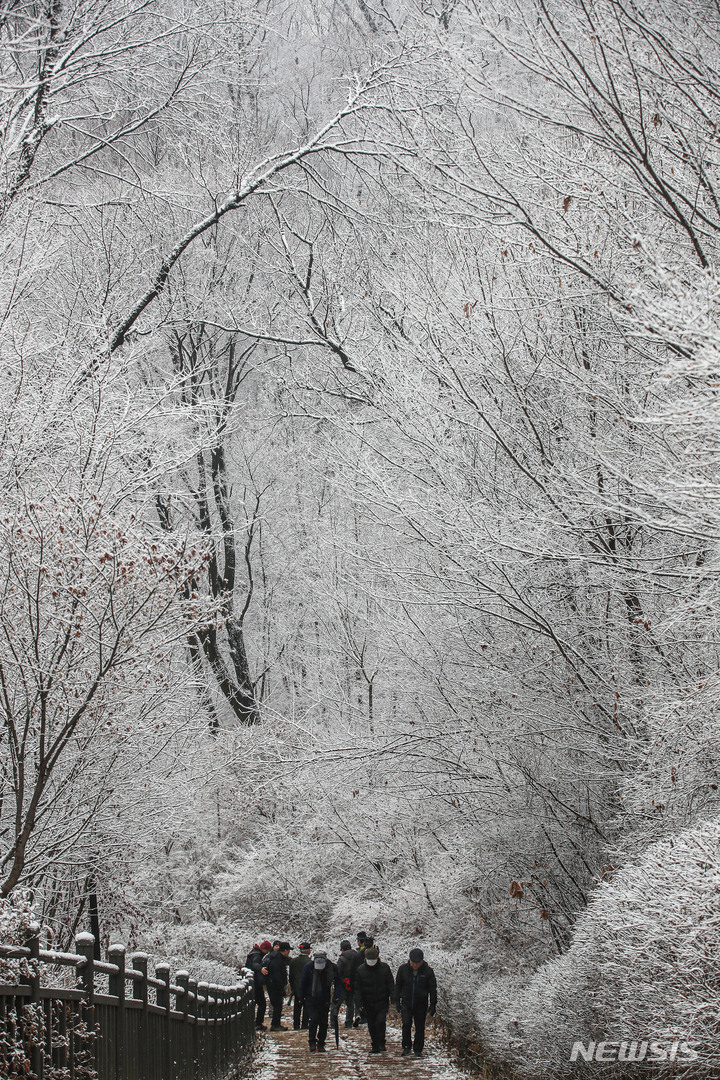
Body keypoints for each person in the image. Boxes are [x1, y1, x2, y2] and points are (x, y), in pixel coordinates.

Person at [395, 947, 438, 1057]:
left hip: (421, 1004)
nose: (415, 965)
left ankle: (418, 1048)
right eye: (413, 962)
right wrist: (396, 1001)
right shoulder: (403, 969)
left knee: (419, 1027)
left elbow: (432, 989)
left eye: (417, 962)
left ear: (422, 961)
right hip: (406, 1002)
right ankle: (406, 1046)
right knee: (406, 1024)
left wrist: (433, 1004)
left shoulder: (428, 971)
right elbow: (398, 986)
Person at [353, 945, 394, 1054]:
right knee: (371, 1023)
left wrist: (393, 997)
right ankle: (375, 1044)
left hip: (382, 1001)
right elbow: (357, 988)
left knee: (380, 1021)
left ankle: (381, 1042)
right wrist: (359, 1002)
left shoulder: (385, 968)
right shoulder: (360, 970)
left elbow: (390, 984)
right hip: (368, 1002)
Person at [299, 949, 341, 1053]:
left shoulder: (332, 968)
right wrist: (301, 997)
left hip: (325, 998)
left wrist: (336, 995)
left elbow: (338, 982)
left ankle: (321, 1042)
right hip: (311, 998)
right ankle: (312, 1041)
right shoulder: (308, 967)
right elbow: (303, 982)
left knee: (323, 1022)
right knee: (313, 1019)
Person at [262, 940, 291, 1029]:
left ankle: (276, 1024)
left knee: (277, 1005)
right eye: (288, 951)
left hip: (272, 984)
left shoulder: (275, 957)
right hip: (274, 986)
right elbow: (277, 976)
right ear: (285, 950)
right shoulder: (277, 961)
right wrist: (281, 989)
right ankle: (275, 1025)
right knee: (278, 1005)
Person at [245, 939, 272, 1029]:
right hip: (255, 983)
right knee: (262, 1003)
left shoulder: (253, 953)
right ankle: (258, 1023)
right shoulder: (257, 955)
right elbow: (254, 964)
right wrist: (261, 968)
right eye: (267, 950)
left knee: (253, 1003)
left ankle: (252, 1022)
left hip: (251, 982)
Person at [336, 939, 361, 1028]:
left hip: (344, 983)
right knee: (350, 1004)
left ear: (342, 949)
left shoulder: (342, 958)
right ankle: (349, 1022)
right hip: (354, 983)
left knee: (336, 1004)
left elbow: (337, 971)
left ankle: (333, 1023)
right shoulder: (357, 956)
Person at [290, 942, 311, 1030]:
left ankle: (296, 1024)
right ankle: (305, 1024)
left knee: (297, 1007)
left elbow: (291, 976)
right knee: (306, 1007)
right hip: (307, 989)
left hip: (297, 987)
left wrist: (293, 987)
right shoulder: (309, 962)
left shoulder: (293, 961)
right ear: (307, 951)